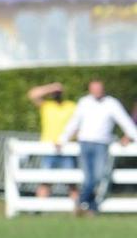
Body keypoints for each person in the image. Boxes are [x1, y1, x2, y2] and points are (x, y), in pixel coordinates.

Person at [56, 79, 137, 215]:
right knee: (88, 177)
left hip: (101, 143)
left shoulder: (111, 103)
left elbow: (125, 121)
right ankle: (91, 207)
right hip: (85, 142)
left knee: (98, 176)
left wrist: (134, 137)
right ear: (90, 89)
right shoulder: (84, 102)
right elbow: (74, 122)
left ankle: (80, 202)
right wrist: (62, 139)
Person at [27, 81, 78, 200]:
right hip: (48, 148)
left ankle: (78, 208)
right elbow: (32, 94)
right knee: (45, 180)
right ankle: (39, 208)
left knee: (71, 181)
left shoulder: (71, 106)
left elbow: (78, 125)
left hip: (67, 148)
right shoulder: (47, 106)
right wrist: (50, 87)